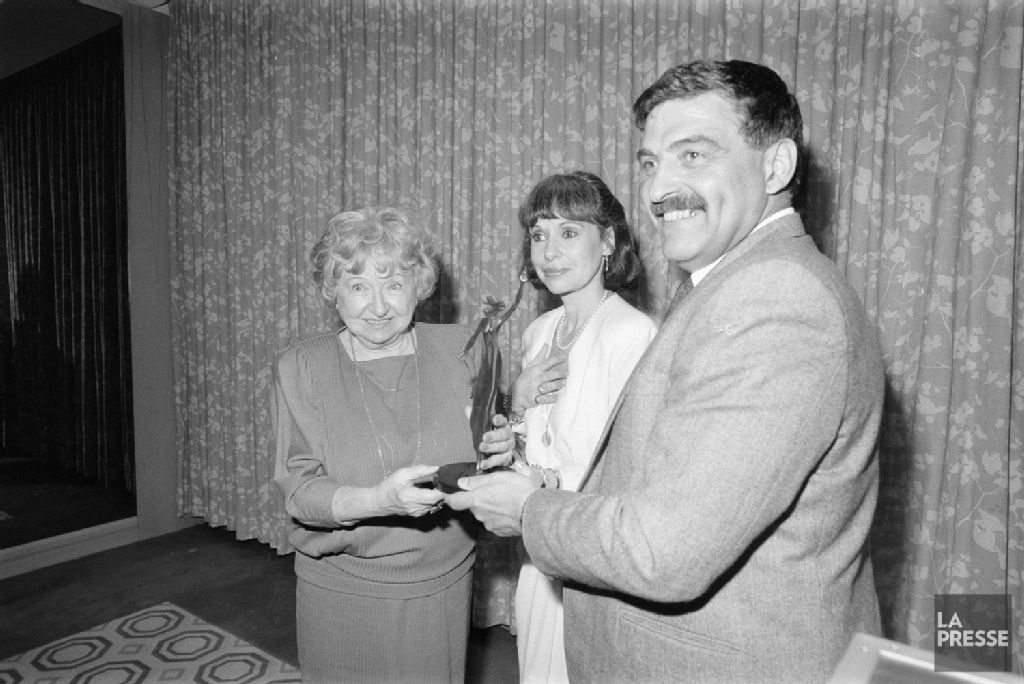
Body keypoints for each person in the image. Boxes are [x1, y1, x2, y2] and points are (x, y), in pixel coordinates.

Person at [447, 60, 884, 684]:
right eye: (651, 162)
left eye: (694, 155)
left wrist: (528, 512)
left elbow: (664, 550)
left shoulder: (776, 298)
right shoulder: (722, 285)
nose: (658, 189)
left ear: (776, 166)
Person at [272, 206, 512, 684]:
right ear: (333, 290)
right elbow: (299, 491)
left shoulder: (464, 349)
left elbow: (485, 453)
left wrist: (504, 448)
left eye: (394, 284)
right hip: (346, 591)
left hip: (443, 585)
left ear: (418, 286)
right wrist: (379, 500)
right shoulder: (302, 367)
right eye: (359, 286)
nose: (378, 306)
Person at [505, 171, 657, 683]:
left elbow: (631, 470)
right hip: (539, 550)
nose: (549, 252)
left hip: (593, 555)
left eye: (569, 232)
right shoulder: (538, 332)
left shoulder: (631, 334)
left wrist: (546, 484)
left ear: (608, 241)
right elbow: (531, 443)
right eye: (539, 234)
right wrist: (512, 413)